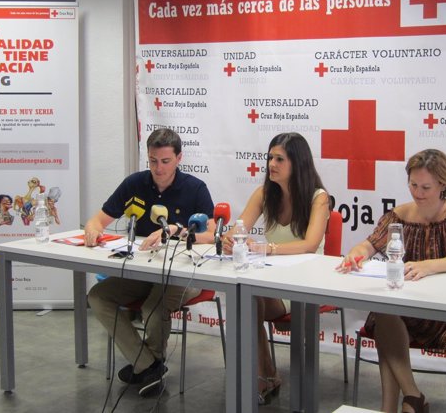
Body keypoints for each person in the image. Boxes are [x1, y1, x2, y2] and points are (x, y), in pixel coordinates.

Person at [338, 148, 446, 413]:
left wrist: (427, 267)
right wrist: (355, 255)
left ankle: (401, 403)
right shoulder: (398, 216)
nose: (417, 192)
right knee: (386, 313)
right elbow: (368, 245)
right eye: (413, 185)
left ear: (443, 185)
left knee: (385, 320)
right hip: (401, 305)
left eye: (425, 187)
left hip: (439, 309)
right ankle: (412, 397)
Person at [85, 128, 214, 396]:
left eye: (165, 161)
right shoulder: (134, 184)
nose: (158, 168)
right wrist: (93, 229)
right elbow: (98, 219)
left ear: (179, 158)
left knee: (153, 305)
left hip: (182, 274)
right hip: (141, 270)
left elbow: (211, 235)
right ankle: (148, 364)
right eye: (153, 161)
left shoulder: (195, 189)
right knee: (98, 296)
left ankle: (147, 365)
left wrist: (178, 231)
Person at [223, 132, 329, 405]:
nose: (271, 164)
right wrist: (230, 237)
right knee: (245, 295)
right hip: (271, 278)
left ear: (298, 163)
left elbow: (309, 245)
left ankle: (266, 374)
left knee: (251, 298)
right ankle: (265, 372)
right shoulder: (264, 193)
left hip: (305, 283)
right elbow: (240, 228)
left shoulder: (318, 198)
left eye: (280, 159)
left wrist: (266, 248)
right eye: (270, 157)